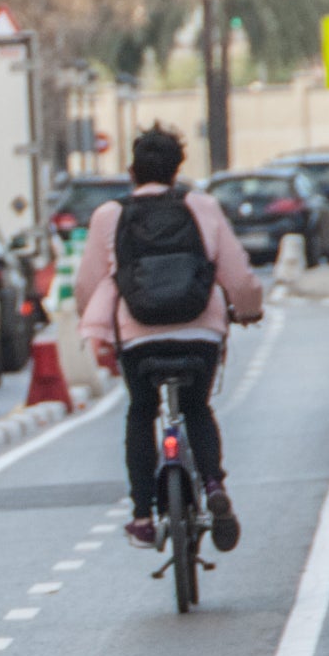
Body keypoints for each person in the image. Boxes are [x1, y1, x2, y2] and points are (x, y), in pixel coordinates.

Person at [75, 125, 263, 552]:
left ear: (132, 170)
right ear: (178, 169)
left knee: (142, 410)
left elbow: (88, 285)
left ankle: (142, 515)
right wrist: (249, 308)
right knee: (197, 405)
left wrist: (93, 326)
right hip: (200, 330)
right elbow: (237, 274)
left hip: (139, 338)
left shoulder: (110, 215)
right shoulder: (202, 207)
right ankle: (213, 483)